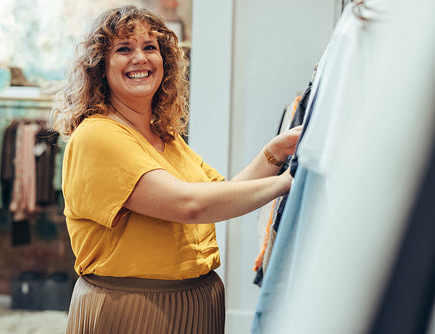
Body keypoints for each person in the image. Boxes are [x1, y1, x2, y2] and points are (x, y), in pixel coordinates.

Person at [51, 5, 302, 334]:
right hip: (133, 309)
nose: (140, 58)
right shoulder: (97, 135)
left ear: (164, 60)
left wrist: (273, 154)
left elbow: (221, 194)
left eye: (150, 47)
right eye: (124, 49)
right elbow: (189, 205)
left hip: (197, 301)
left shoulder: (164, 136)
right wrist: (289, 182)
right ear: (100, 66)